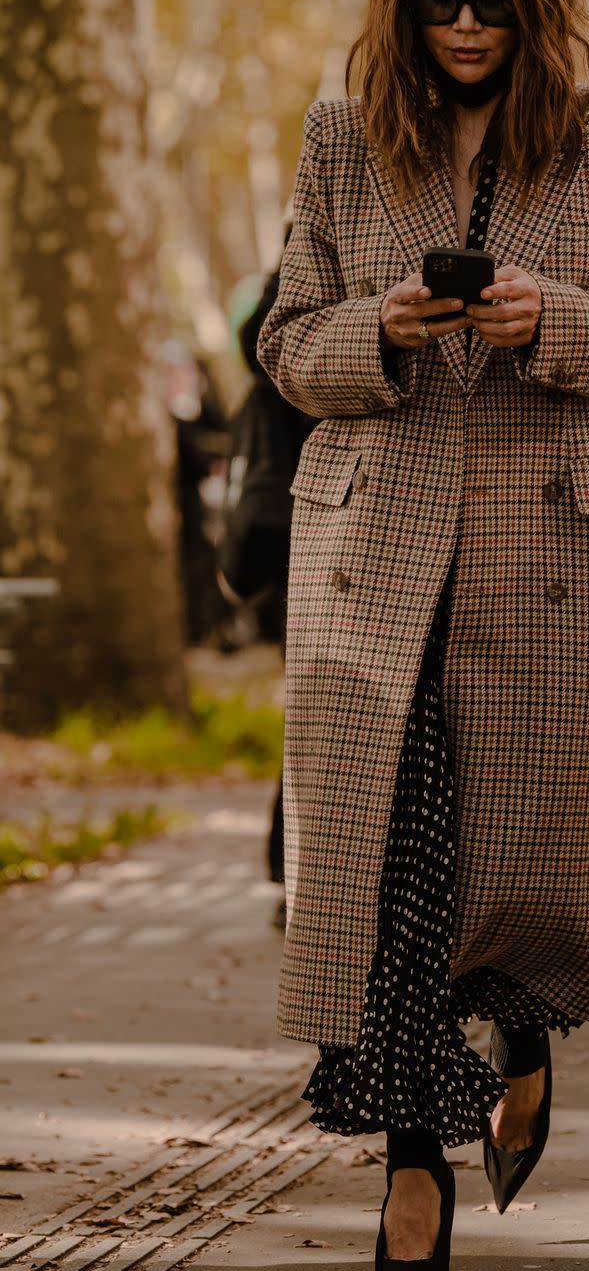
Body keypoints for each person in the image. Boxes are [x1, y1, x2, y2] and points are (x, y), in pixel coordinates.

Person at [257, 0, 589, 1271]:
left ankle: (518, 1032)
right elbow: (283, 343)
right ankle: (410, 1159)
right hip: (375, 554)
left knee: (511, 865)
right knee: (393, 856)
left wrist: (549, 316)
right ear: (405, 2)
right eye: (440, 2)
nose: (465, 27)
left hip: (548, 547)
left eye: (493, 4)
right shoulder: (344, 142)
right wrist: (379, 329)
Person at [218, 240, 313, 920]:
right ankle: (299, 868)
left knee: (315, 704)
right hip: (322, 529)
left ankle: (293, 869)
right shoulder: (297, 333)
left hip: (293, 538)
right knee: (323, 708)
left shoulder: (267, 340)